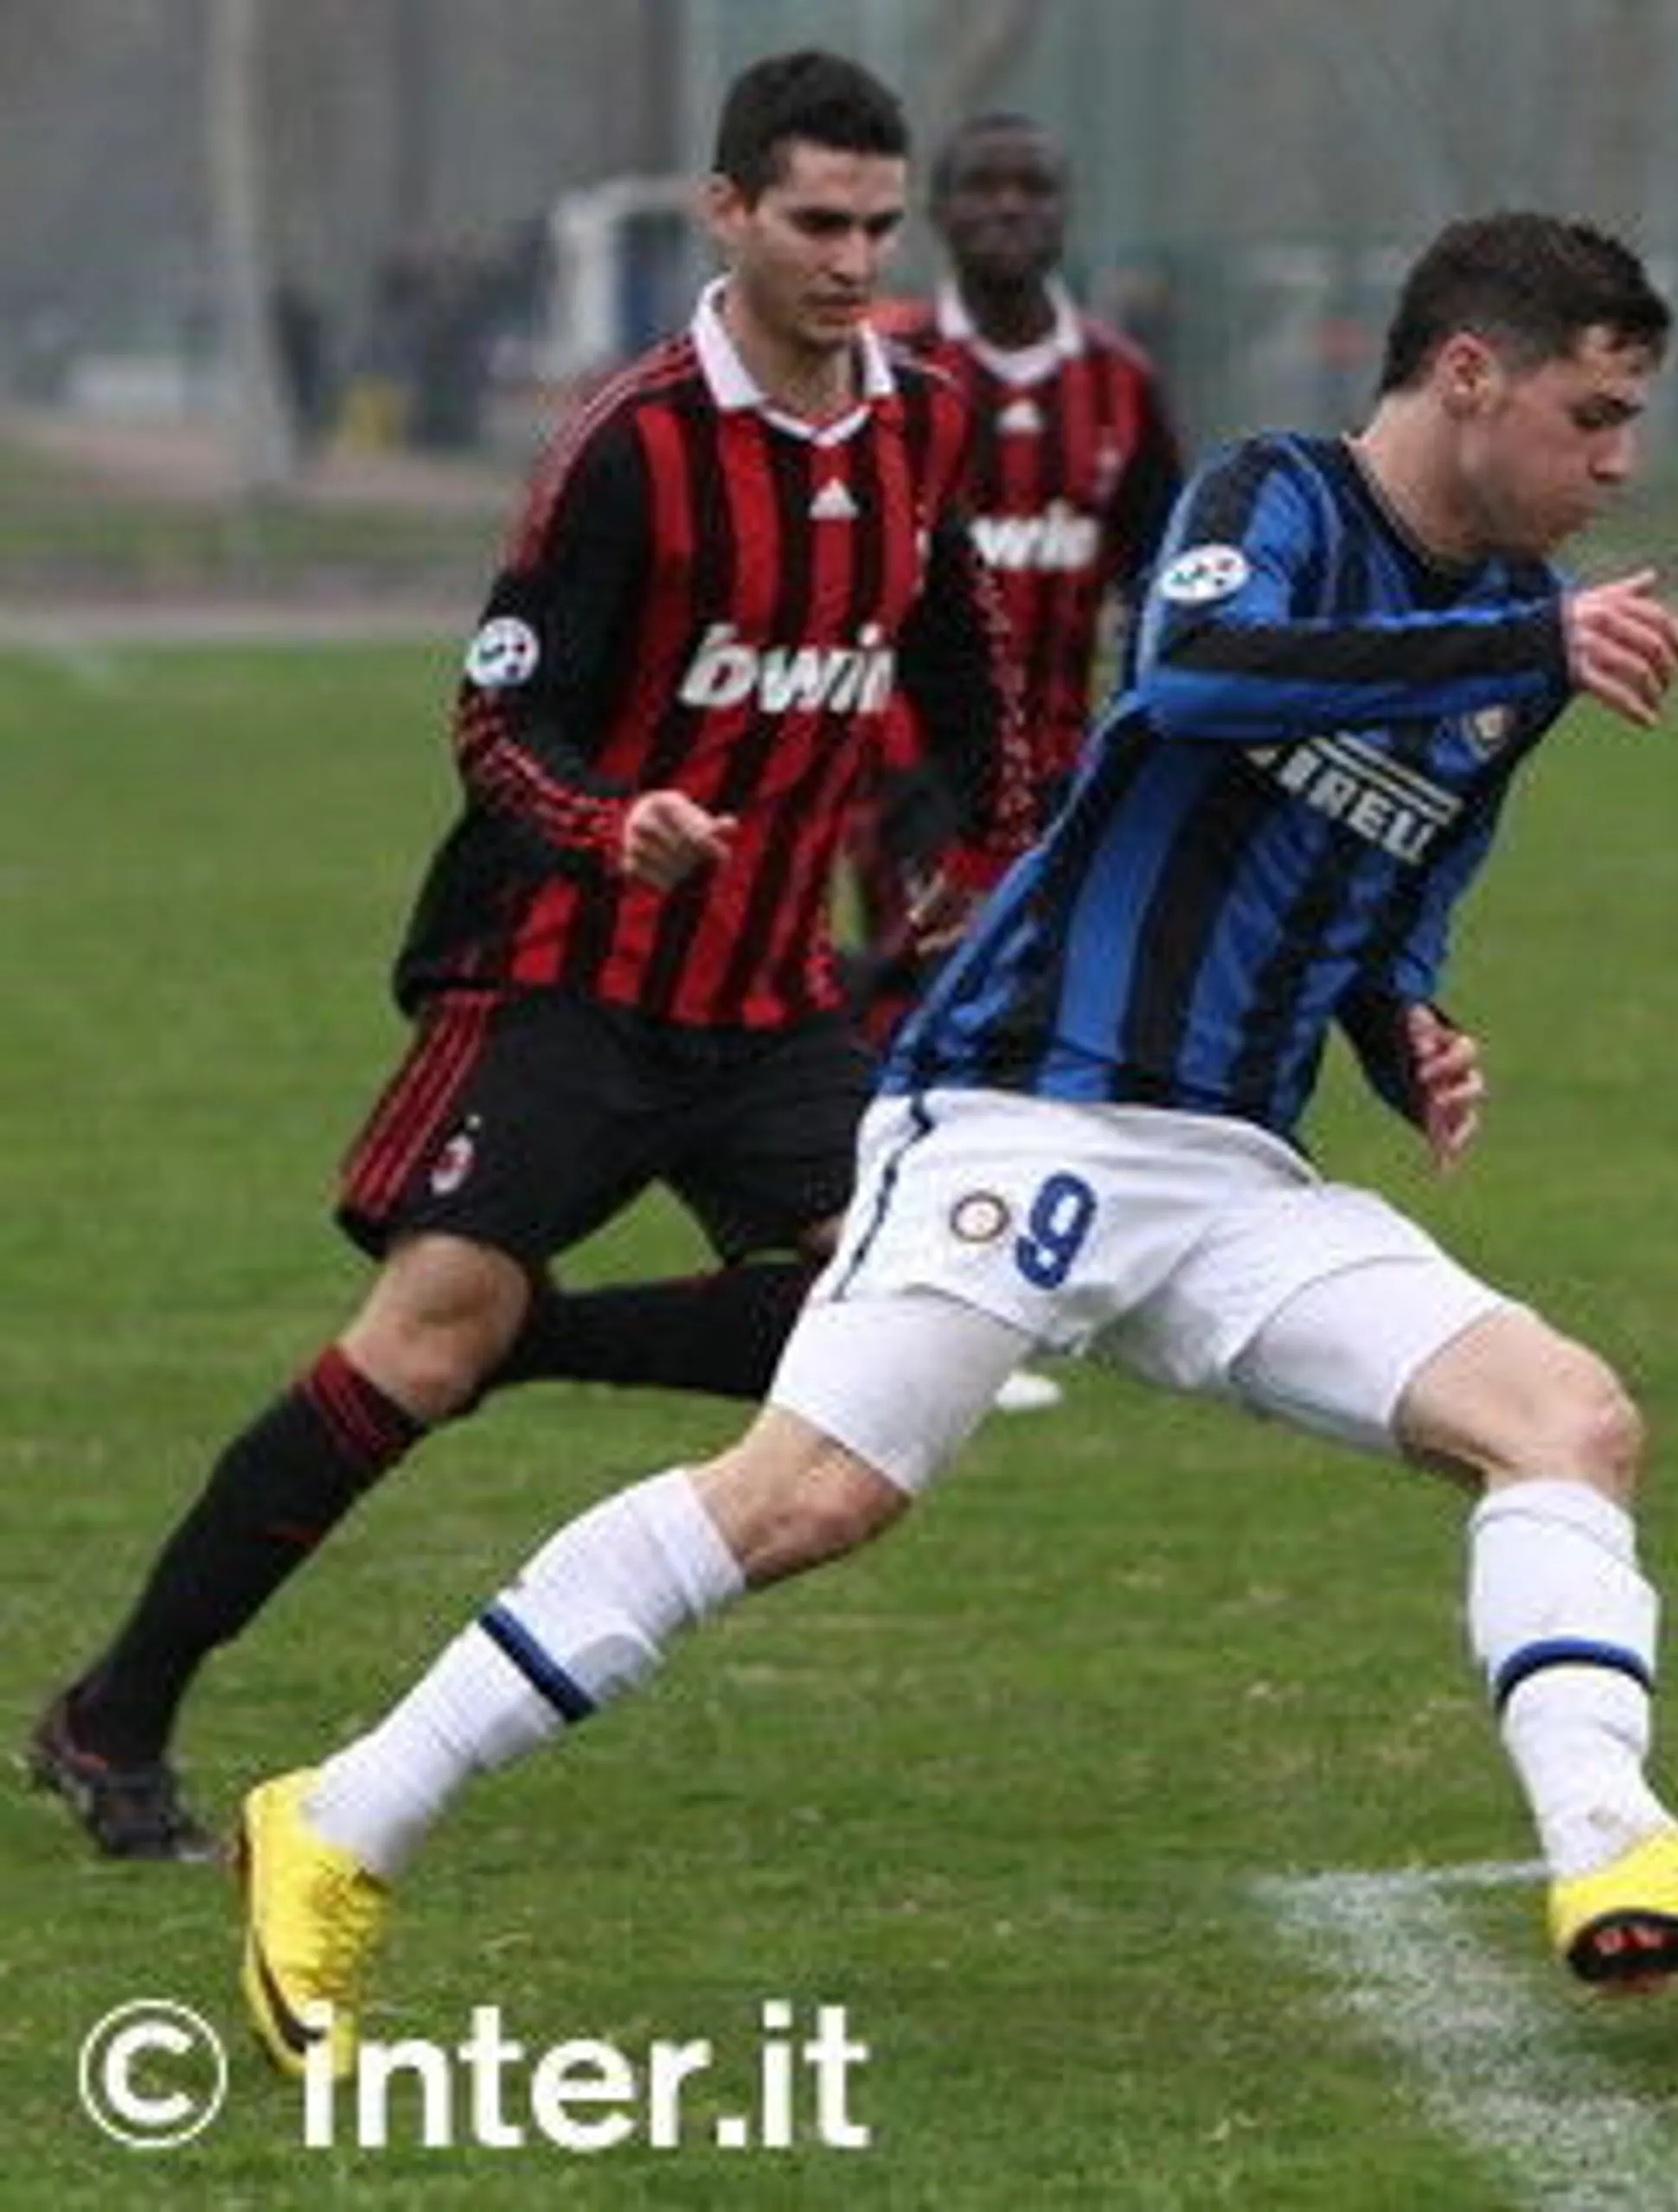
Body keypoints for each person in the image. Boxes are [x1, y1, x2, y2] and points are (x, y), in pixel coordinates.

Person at [234, 208, 1678, 2082]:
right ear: (1468, 376)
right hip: (1027, 1103)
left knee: (1567, 1419)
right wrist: (1517, 633)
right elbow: (1197, 680)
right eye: (1593, 417)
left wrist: (1401, 1021)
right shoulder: (1270, 501)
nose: (1619, 464)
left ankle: (1615, 1861)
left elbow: (1390, 872)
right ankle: (343, 1814)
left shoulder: (1525, 652)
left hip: (1232, 1179)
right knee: (808, 1497)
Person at [24, 49, 1024, 1863]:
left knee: (881, 1328)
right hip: (561, 970)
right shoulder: (631, 447)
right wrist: (612, 819)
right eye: (816, 220)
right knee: (413, 1347)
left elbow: (963, 675)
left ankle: (530, 1339)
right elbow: (497, 727)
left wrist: (987, 860)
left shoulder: (921, 421)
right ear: (725, 213)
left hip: (771, 995)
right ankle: (112, 1718)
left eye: (879, 224)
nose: (851, 255)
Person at [852, 114, 1185, 1418]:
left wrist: (1139, 734)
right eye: (981, 189)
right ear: (939, 212)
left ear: (1064, 209)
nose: (1006, 208)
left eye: (1029, 186)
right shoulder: (893, 368)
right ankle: (902, 1303)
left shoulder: (1119, 383)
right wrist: (904, 774)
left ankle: (1007, 1287)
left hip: (1073, 773)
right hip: (908, 766)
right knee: (925, 1020)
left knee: (1065, 1028)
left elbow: (1166, 582)